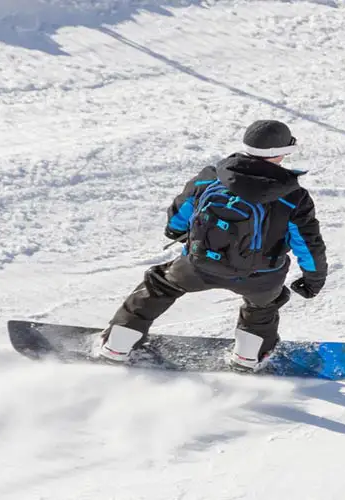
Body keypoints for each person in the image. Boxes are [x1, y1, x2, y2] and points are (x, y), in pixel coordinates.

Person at [99, 119, 328, 371]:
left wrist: (176, 232)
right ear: (283, 152)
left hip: (198, 265)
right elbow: (308, 243)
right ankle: (247, 356)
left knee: (159, 285)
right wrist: (313, 279)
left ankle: (118, 344)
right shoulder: (294, 196)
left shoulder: (210, 176)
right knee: (264, 305)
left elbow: (179, 216)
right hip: (259, 276)